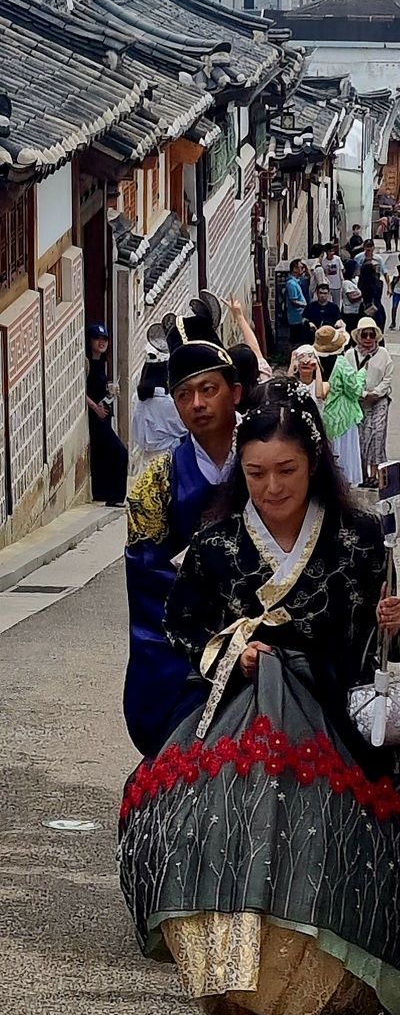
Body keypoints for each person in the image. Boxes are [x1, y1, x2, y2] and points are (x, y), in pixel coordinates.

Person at [119, 379, 400, 1015]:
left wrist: (387, 629)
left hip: (328, 718)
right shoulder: (216, 543)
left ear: (315, 463)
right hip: (243, 716)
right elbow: (180, 628)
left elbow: (372, 654)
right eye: (257, 473)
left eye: (287, 473)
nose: (271, 488)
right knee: (233, 845)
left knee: (320, 852)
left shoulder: (359, 537)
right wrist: (229, 648)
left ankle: (312, 997)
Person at [124, 295, 242, 757]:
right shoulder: (158, 481)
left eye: (208, 389)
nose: (197, 404)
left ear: (233, 391)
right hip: (193, 648)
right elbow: (147, 574)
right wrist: (209, 635)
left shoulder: (267, 459)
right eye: (183, 394)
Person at [86, 322, 128, 506]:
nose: (101, 342)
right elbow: (81, 391)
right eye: (97, 338)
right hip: (95, 418)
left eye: (104, 339)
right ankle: (115, 497)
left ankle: (104, 493)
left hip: (104, 417)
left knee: (105, 455)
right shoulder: (86, 362)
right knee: (119, 452)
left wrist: (110, 392)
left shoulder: (101, 362)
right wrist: (95, 407)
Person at [351, 318, 393, 489]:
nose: (368, 338)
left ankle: (375, 474)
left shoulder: (383, 354)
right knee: (361, 437)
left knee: (377, 435)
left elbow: (388, 377)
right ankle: (362, 473)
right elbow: (349, 379)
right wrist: (362, 394)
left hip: (379, 400)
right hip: (358, 401)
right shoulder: (350, 355)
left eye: (371, 334)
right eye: (364, 334)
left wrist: (376, 393)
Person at [320, 328, 364, 488]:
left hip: (325, 415)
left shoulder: (316, 362)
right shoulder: (341, 364)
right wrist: (362, 375)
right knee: (346, 454)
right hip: (343, 416)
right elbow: (355, 390)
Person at [130, 346, 187, 468]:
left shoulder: (138, 400)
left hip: (146, 462)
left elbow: (136, 434)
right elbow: (184, 429)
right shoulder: (169, 403)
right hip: (169, 460)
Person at [286, 260, 310, 349]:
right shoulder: (291, 284)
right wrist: (305, 305)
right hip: (295, 317)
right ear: (295, 269)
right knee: (295, 341)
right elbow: (294, 301)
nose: (303, 269)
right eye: (301, 267)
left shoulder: (297, 281)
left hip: (299, 316)